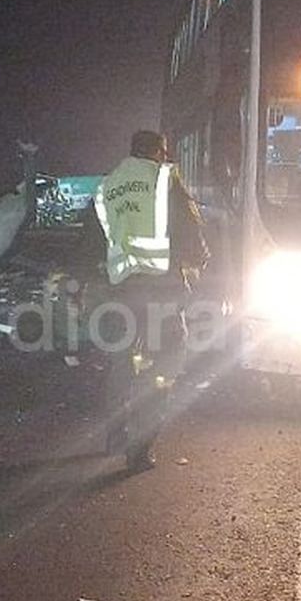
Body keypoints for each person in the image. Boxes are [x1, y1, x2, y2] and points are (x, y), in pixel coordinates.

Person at [92, 130, 208, 472]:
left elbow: (94, 236)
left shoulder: (108, 185)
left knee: (120, 362)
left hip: (121, 290)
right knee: (165, 365)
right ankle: (139, 450)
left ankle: (114, 435)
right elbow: (191, 232)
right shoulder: (164, 180)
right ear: (158, 151)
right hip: (163, 291)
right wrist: (201, 259)